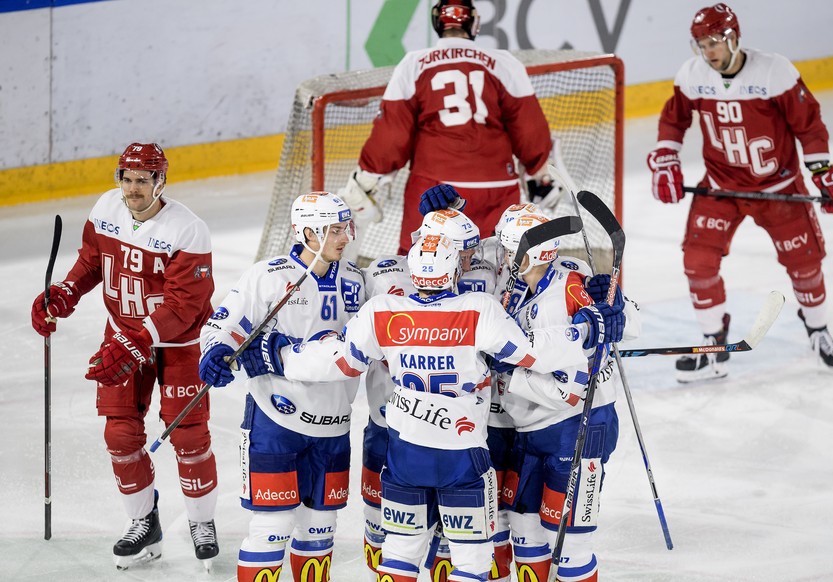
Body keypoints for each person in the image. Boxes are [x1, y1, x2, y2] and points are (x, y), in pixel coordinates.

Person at [249, 231, 623, 582]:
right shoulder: (479, 309)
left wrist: (277, 353)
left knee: (399, 552)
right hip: (462, 461)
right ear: (454, 270)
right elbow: (533, 352)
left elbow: (339, 360)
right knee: (472, 559)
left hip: (405, 459)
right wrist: (588, 329)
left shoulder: (383, 311)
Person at [30, 143, 220, 570]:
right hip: (122, 335)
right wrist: (64, 293)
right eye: (127, 179)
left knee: (188, 435)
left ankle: (201, 522)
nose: (132, 189)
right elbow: (91, 261)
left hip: (179, 344)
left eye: (142, 180)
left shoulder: (188, 230)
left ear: (160, 182)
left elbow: (186, 305)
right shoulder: (106, 209)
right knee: (119, 435)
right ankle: (142, 522)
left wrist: (137, 340)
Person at [647, 3, 833, 382]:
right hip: (721, 185)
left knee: (805, 265)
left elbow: (808, 124)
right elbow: (673, 119)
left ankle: (819, 331)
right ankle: (713, 346)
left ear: (734, 37)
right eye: (701, 44)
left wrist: (823, 170)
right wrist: (665, 158)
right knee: (698, 261)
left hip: (778, 186)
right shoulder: (693, 75)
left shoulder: (774, 71)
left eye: (715, 42)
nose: (709, 52)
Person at [198, 191, 364, 582]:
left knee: (320, 532)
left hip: (334, 425)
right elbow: (223, 324)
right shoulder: (269, 276)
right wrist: (216, 350)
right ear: (308, 232)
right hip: (276, 421)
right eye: (335, 230)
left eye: (346, 228)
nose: (345, 238)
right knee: (271, 529)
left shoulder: (357, 281)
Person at [338, 0, 558, 258]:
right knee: (497, 268)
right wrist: (538, 171)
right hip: (495, 187)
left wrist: (369, 178)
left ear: (437, 23)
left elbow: (392, 136)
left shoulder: (414, 64)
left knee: (419, 266)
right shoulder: (504, 63)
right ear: (473, 23)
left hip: (432, 190)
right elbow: (530, 130)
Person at [494, 212, 640, 581]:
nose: (502, 254)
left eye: (509, 248)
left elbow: (570, 390)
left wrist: (508, 373)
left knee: (570, 540)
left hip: (578, 428)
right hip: (530, 430)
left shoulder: (567, 291)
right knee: (525, 531)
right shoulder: (518, 285)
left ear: (531, 255)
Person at [359, 203, 491, 581]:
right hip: (407, 433)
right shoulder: (381, 276)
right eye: (462, 251)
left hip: (408, 437)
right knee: (386, 537)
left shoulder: (479, 276)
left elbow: (343, 349)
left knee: (410, 547)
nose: (470, 259)